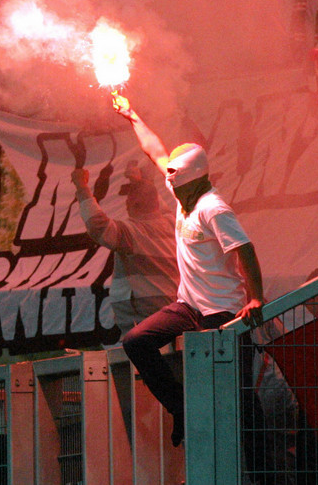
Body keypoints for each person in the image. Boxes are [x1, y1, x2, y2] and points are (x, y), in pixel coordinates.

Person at [111, 94, 265, 448]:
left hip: (223, 310)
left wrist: (254, 297)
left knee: (237, 393)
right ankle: (181, 407)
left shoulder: (214, 209)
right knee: (136, 342)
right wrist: (133, 115)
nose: (170, 185)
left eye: (175, 179)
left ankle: (260, 470)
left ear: (193, 178)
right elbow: (156, 151)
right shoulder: (184, 190)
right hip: (189, 306)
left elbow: (246, 250)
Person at [70, 164, 179, 335]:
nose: (126, 204)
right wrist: (140, 182)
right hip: (170, 314)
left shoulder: (132, 233)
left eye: (128, 200)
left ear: (133, 203)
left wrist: (82, 187)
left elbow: (97, 225)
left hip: (145, 321)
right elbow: (152, 197)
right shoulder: (172, 224)